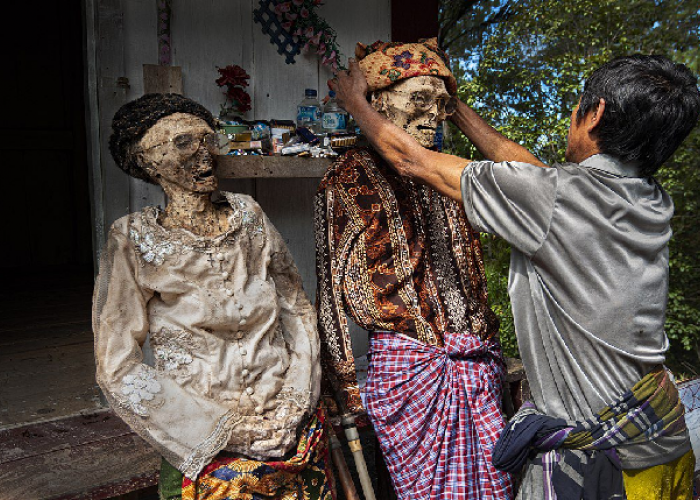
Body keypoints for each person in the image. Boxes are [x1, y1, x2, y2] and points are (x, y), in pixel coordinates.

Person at [330, 54, 700, 499]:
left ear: (596, 112)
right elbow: (532, 175)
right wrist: (456, 109)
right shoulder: (645, 199)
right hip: (665, 442)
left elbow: (415, 162)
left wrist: (355, 104)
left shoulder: (556, 200)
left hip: (612, 469)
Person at [93, 93, 332, 500]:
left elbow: (296, 306)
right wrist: (219, 429)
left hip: (289, 423)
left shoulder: (249, 214)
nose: (204, 152)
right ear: (145, 160)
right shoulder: (132, 237)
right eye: (184, 142)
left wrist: (296, 397)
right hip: (206, 436)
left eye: (208, 139)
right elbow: (117, 366)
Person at [316, 38, 514, 499]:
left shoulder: (450, 175)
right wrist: (342, 383)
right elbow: (329, 290)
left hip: (476, 367)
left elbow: (473, 275)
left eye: (443, 104)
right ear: (379, 102)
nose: (434, 114)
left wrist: (493, 347)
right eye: (420, 99)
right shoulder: (348, 177)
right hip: (410, 373)